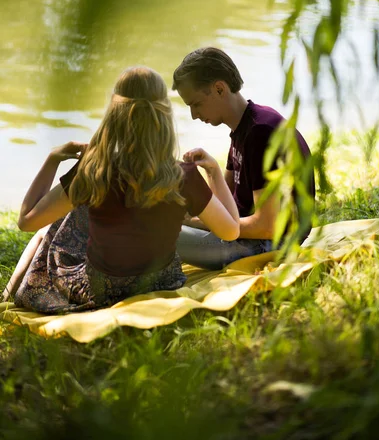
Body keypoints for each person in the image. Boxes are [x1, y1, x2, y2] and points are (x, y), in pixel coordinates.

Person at [2, 67, 239, 312]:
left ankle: (6, 298)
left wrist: (53, 159)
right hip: (161, 284)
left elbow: (26, 221)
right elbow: (231, 231)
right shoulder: (183, 176)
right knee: (71, 214)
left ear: (114, 115)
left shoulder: (94, 170)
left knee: (51, 227)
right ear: (164, 116)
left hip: (100, 291)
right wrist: (213, 173)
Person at [172, 47, 315, 270]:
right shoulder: (244, 128)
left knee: (160, 233)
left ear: (219, 89)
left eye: (196, 104)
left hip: (273, 244)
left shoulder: (261, 133)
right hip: (248, 235)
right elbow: (226, 204)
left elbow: (268, 226)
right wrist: (209, 174)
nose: (194, 115)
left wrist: (194, 222)